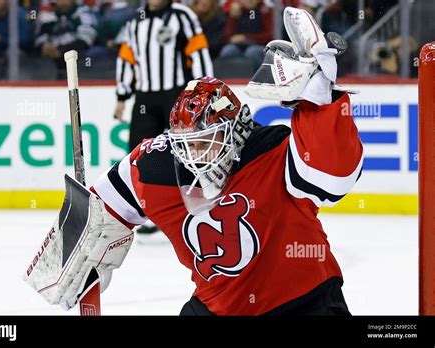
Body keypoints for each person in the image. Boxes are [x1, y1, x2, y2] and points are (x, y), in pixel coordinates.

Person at [28, 7, 363, 315]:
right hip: (219, 307)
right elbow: (98, 208)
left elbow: (332, 180)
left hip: (304, 301)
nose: (195, 154)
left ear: (234, 130)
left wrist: (322, 98)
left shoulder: (272, 150)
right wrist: (72, 253)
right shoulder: (155, 165)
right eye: (187, 144)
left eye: (206, 141)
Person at [113, 0, 213, 235]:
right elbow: (127, 58)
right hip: (145, 97)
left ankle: (197, 207)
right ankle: (148, 212)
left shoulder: (183, 16)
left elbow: (198, 52)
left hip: (176, 94)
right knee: (139, 153)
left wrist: (203, 92)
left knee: (186, 152)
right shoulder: (135, 20)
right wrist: (121, 96)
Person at [34, 0, 97, 79]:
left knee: (90, 55)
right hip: (52, 58)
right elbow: (40, 38)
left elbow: (86, 40)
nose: (63, 2)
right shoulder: (48, 16)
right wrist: (44, 47)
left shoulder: (83, 14)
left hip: (78, 56)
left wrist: (61, 51)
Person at [219, 0, 273, 71]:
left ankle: (259, 78)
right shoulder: (237, 10)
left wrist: (246, 38)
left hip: (260, 45)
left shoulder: (265, 11)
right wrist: (233, 17)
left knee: (252, 52)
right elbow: (225, 37)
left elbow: (270, 35)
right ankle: (230, 79)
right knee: (228, 50)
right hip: (238, 46)